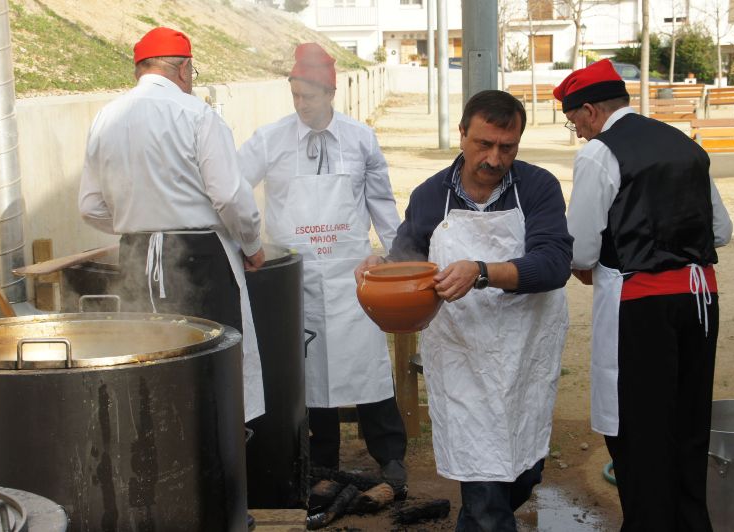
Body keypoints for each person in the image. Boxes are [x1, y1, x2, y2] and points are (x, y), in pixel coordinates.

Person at [356, 90, 572, 531]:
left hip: (522, 351)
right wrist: (382, 267)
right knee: (486, 484)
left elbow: (553, 264)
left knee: (521, 472)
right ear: (462, 135)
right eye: (483, 144)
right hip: (462, 356)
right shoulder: (432, 195)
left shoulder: (537, 188)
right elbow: (407, 257)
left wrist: (482, 272)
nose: (494, 158)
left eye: (506, 147)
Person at [555, 59, 733, 531]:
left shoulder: (600, 153)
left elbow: (584, 246)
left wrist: (587, 265)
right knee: (690, 423)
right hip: (701, 299)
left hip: (642, 302)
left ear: (590, 111)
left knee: (641, 430)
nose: (577, 133)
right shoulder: (684, 143)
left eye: (575, 123)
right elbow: (722, 229)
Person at [237, 43, 408, 490]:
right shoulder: (269, 139)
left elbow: (381, 203)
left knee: (367, 366)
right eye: (294, 95)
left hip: (352, 276)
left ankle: (391, 457)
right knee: (308, 374)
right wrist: (245, 243)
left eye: (308, 96)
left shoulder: (360, 139)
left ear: (331, 92)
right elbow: (233, 188)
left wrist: (397, 258)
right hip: (295, 280)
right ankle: (322, 463)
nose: (300, 105)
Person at [78, 27, 266, 423]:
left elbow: (91, 206)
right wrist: (252, 245)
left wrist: (139, 220)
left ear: (140, 71)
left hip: (136, 256)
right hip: (200, 257)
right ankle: (217, 455)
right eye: (191, 73)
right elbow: (230, 196)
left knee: (150, 362)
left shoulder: (106, 118)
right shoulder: (196, 114)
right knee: (213, 362)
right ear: (183, 70)